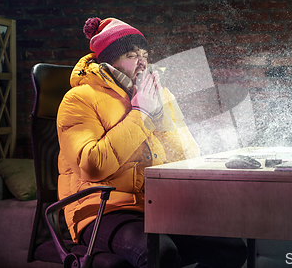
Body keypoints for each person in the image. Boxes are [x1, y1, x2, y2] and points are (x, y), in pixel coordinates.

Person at [56, 17, 248, 268]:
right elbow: (92, 166)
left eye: (144, 54)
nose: (143, 61)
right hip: (101, 210)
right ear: (109, 60)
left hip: (155, 206)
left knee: (231, 249)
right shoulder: (79, 99)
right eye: (131, 54)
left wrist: (158, 112)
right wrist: (142, 115)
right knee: (161, 254)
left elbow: (187, 155)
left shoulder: (159, 95)